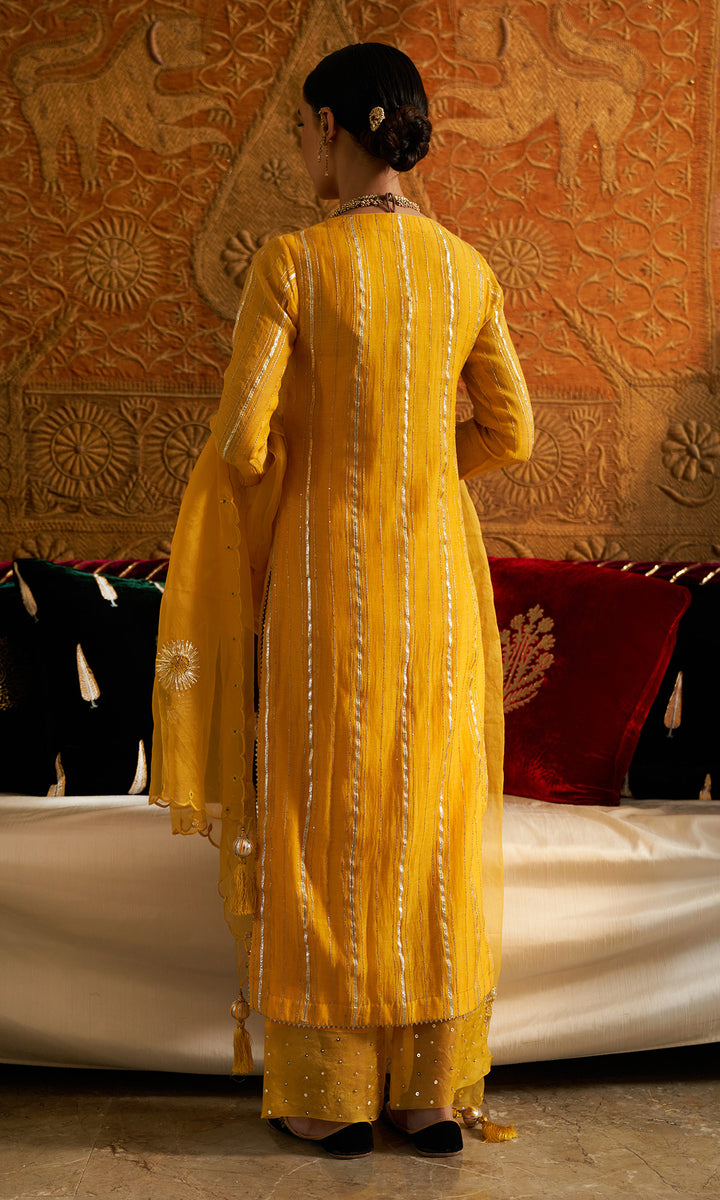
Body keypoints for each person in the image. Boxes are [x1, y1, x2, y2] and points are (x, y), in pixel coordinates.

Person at [151, 41, 533, 1161]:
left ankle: (329, 1094)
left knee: (325, 822)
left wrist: (313, 470)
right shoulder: (466, 270)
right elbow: (513, 431)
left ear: (331, 126)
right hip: (441, 582)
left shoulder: (296, 262)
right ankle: (429, 1095)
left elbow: (242, 437)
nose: (300, 149)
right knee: (431, 817)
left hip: (328, 576)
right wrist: (422, 465)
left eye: (301, 129)